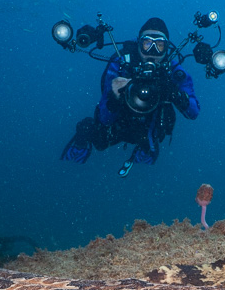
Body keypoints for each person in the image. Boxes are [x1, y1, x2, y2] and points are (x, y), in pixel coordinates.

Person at [61, 17, 200, 177]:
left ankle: (145, 152)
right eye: (147, 43)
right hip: (118, 124)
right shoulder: (120, 63)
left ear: (166, 48)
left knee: (150, 142)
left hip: (149, 129)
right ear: (138, 43)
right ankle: (79, 147)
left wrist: (176, 94)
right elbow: (105, 118)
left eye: (159, 45)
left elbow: (193, 112)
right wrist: (114, 97)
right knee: (98, 139)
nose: (152, 52)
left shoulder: (173, 70)